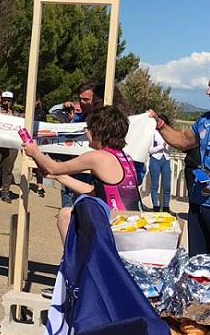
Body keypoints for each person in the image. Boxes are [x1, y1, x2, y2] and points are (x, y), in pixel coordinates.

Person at [24, 105, 140, 244]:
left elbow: (53, 168)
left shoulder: (97, 157)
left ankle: (74, 258)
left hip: (116, 224)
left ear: (99, 132)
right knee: (70, 213)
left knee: (65, 215)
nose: (86, 131)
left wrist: (34, 151)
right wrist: (59, 177)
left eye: (88, 128)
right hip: (132, 220)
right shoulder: (125, 157)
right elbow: (95, 192)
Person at [148, 98, 210, 256]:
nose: (207, 92)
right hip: (199, 201)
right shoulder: (205, 120)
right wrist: (160, 124)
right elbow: (182, 140)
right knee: (197, 260)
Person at [148, 115, 173, 213]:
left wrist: (169, 146)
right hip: (155, 159)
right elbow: (150, 150)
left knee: (167, 185)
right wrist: (162, 146)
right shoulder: (153, 133)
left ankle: (166, 206)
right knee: (155, 185)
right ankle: (156, 206)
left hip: (166, 159)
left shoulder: (169, 134)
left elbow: (170, 149)